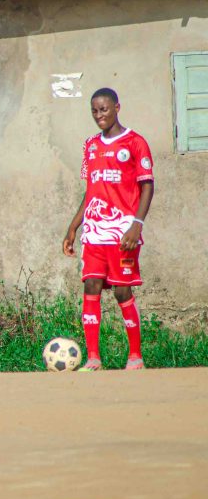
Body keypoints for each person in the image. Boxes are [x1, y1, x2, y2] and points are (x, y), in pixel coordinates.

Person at [63, 88, 154, 370]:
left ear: (117, 107)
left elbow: (147, 186)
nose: (99, 115)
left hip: (123, 231)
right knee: (91, 284)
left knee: (121, 292)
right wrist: (73, 227)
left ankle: (135, 355)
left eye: (103, 109)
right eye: (94, 110)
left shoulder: (135, 142)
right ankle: (93, 357)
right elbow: (91, 191)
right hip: (94, 231)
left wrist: (137, 225)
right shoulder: (90, 145)